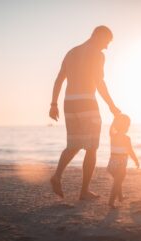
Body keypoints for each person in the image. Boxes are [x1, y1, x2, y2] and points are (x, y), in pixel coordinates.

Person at [49, 26, 120, 200]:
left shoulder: (71, 52)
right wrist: (111, 105)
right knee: (92, 147)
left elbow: (59, 79)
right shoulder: (97, 55)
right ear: (98, 36)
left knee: (74, 144)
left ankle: (57, 175)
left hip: (69, 103)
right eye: (106, 42)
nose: (106, 47)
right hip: (87, 102)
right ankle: (84, 191)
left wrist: (53, 104)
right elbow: (99, 83)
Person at [107, 114, 139, 208]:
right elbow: (130, 151)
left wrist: (114, 119)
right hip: (120, 164)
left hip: (112, 164)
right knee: (117, 182)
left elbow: (111, 128)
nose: (128, 127)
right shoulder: (126, 138)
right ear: (126, 127)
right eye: (128, 125)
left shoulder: (112, 135)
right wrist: (136, 160)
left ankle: (120, 197)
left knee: (118, 180)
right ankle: (111, 201)